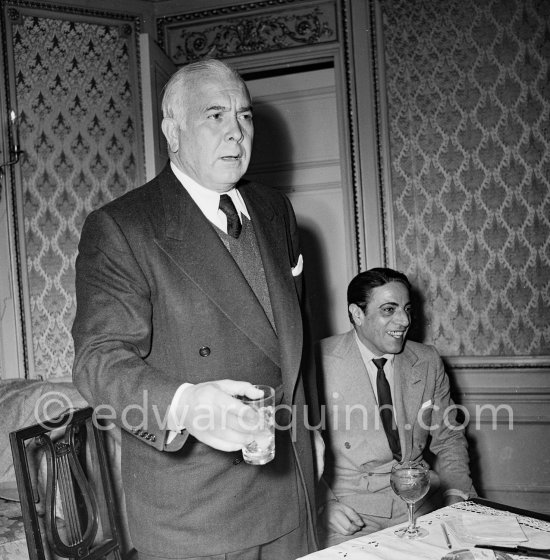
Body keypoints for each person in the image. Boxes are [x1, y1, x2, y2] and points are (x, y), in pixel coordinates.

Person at [72, 58, 319, 560]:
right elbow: (97, 359)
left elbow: (298, 341)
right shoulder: (124, 227)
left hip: (291, 490)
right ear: (173, 131)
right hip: (197, 515)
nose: (236, 133)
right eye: (215, 116)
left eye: (244, 116)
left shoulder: (275, 211)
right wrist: (184, 404)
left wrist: (316, 438)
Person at [316, 268, 475, 548]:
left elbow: (449, 438)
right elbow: (296, 449)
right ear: (357, 314)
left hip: (422, 503)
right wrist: (323, 504)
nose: (403, 320)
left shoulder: (427, 360)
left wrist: (456, 494)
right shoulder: (317, 362)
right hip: (351, 515)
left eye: (407, 309)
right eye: (389, 310)